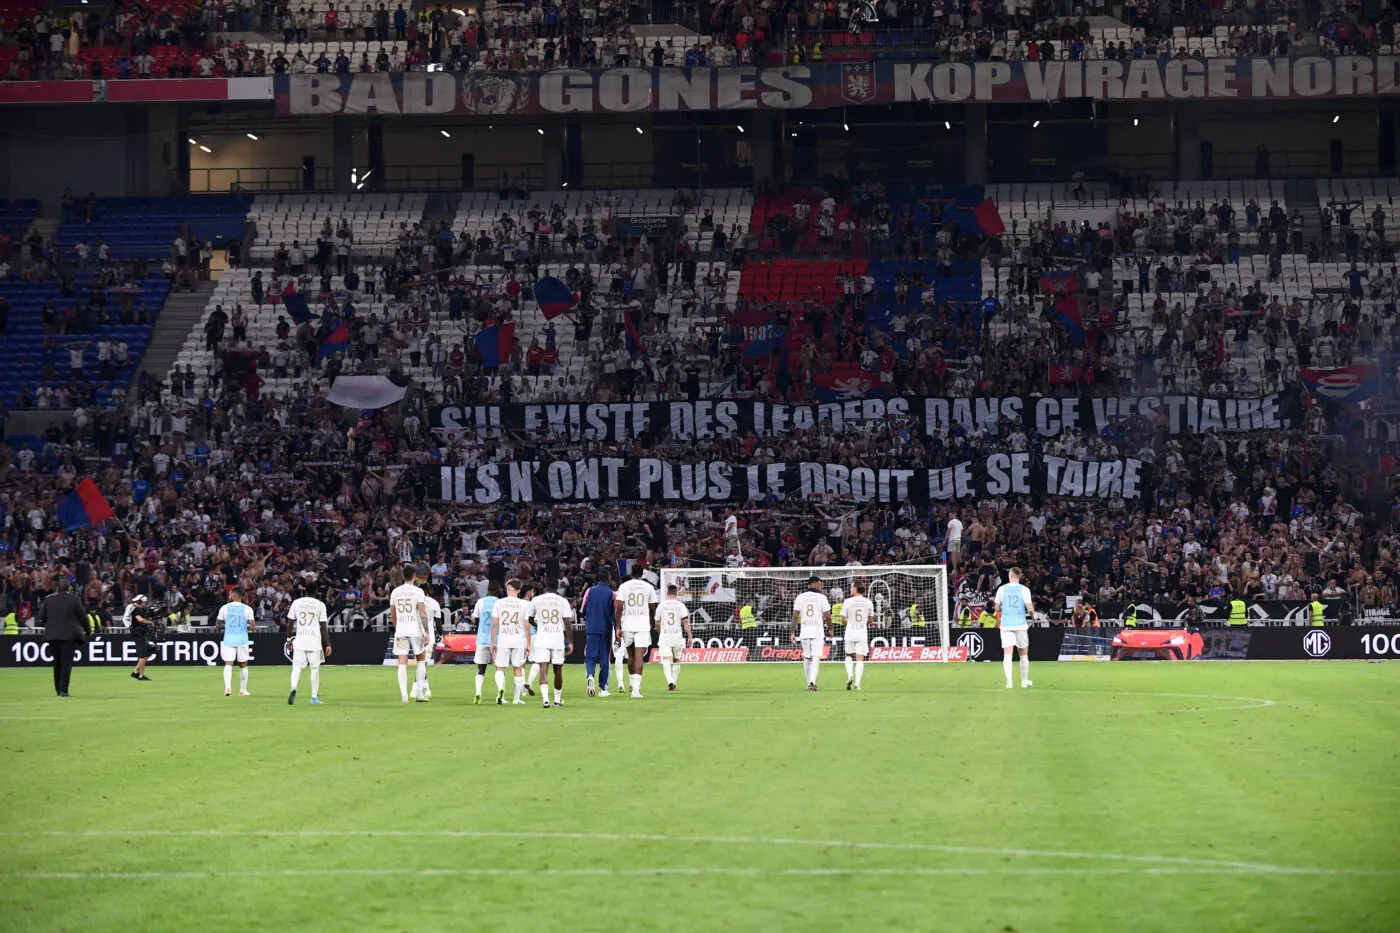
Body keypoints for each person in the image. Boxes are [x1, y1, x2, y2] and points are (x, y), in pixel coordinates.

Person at [39, 577, 89, 698]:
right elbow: (82, 616)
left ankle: (58, 689)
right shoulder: (74, 599)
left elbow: (41, 618)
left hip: (52, 636)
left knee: (57, 664)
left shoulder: (48, 599)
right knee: (66, 664)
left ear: (57, 587)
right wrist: (88, 630)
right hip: (68, 636)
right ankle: (63, 690)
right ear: (69, 587)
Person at [614, 564, 658, 698]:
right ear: (642, 574)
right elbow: (652, 608)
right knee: (639, 657)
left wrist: (617, 627)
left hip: (628, 624)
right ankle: (636, 690)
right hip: (643, 625)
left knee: (631, 657)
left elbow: (620, 608)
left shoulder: (624, 586)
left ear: (631, 572)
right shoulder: (648, 587)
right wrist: (651, 622)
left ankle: (633, 685)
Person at [528, 579, 573, 708]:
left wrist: (539, 625)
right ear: (557, 587)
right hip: (557, 639)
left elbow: (529, 618)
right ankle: (557, 700)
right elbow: (567, 623)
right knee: (558, 670)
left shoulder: (536, 600)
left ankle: (545, 700)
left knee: (543, 668)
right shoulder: (562, 601)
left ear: (545, 586)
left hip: (542, 638)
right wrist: (570, 642)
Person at [389, 565, 430, 703]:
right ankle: (419, 694)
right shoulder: (418, 591)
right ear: (414, 576)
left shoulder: (395, 592)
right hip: (415, 629)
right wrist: (427, 631)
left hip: (401, 629)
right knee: (421, 659)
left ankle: (404, 695)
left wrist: (397, 627)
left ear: (402, 576)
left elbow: (393, 614)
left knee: (402, 662)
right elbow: (422, 612)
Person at [286, 583, 331, 704]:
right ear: (316, 591)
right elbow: (323, 627)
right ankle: (313, 698)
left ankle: (294, 687)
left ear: (305, 590)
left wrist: (289, 639)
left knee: (296, 667)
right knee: (314, 669)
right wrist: (328, 644)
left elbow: (290, 623)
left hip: (300, 639)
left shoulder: (296, 602)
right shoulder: (320, 605)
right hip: (314, 641)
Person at [491, 578, 533, 704]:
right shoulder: (524, 604)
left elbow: (494, 624)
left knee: (500, 667)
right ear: (519, 590)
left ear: (508, 589)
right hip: (518, 640)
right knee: (518, 668)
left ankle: (501, 692)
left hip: (503, 639)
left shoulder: (499, 603)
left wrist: (492, 642)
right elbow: (527, 626)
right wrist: (529, 644)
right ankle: (516, 698)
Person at [994, 567, 1035, 689]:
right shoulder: (1024, 589)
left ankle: (1009, 682)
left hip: (1006, 625)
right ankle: (1024, 681)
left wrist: (1005, 609)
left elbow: (996, 608)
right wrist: (1034, 615)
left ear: (1010, 576)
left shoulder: (1001, 589)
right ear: (1019, 576)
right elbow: (1029, 607)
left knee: (1007, 655)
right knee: (1023, 655)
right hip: (1020, 625)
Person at [791, 574, 832, 691]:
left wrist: (792, 632)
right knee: (816, 657)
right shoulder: (821, 598)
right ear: (814, 583)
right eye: (820, 583)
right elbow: (828, 616)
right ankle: (812, 682)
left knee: (807, 658)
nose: (821, 586)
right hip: (817, 631)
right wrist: (830, 629)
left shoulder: (800, 597)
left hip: (804, 631)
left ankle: (809, 683)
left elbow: (795, 615)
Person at [580, 570, 615, 697]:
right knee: (605, 659)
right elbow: (614, 614)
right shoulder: (611, 593)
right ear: (608, 578)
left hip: (591, 629)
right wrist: (617, 630)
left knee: (590, 657)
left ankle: (590, 675)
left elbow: (582, 610)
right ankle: (602, 688)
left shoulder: (589, 591)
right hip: (605, 630)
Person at [653, 584, 692, 692]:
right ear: (677, 594)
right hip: (677, 636)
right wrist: (690, 636)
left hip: (665, 636)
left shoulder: (661, 605)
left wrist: (661, 632)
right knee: (676, 660)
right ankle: (673, 684)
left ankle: (670, 682)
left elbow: (656, 623)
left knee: (665, 660)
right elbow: (686, 622)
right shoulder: (681, 605)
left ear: (667, 593)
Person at [218, 586, 255, 697]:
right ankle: (243, 690)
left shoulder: (224, 608)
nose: (229, 596)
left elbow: (218, 624)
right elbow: (253, 627)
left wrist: (228, 626)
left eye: (230, 594)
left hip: (229, 639)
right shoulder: (248, 609)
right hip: (242, 639)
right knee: (243, 665)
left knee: (228, 664)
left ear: (234, 595)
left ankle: (228, 687)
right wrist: (245, 627)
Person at [841, 580, 875, 691]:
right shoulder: (868, 602)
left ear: (856, 588)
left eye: (851, 587)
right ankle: (857, 685)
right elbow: (871, 620)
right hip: (862, 633)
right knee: (860, 659)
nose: (850, 589)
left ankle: (850, 675)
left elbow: (842, 620)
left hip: (850, 632)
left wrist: (850, 624)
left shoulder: (847, 601)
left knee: (848, 655)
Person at [471, 581, 500, 704]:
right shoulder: (500, 602)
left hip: (482, 639)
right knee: (500, 668)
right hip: (497, 640)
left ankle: (478, 692)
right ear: (498, 590)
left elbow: (474, 618)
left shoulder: (480, 602)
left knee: (481, 669)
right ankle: (500, 693)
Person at [414, 589, 442, 702]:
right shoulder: (434, 603)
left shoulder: (415, 601)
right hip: (428, 635)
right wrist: (441, 634)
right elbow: (438, 622)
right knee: (423, 662)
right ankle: (417, 687)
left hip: (415, 634)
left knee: (421, 662)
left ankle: (424, 687)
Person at [125, 594, 156, 682]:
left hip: (142, 633)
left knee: (147, 653)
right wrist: (150, 622)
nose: (144, 604)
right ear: (139, 602)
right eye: (143, 602)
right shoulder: (135, 610)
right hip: (138, 634)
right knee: (142, 655)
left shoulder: (138, 609)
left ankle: (136, 671)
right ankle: (140, 675)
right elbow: (140, 620)